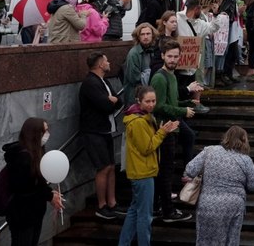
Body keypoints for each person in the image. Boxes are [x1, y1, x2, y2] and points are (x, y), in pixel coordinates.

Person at [118, 86, 178, 246]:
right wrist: (162, 132)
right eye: (148, 101)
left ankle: (124, 243)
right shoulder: (138, 121)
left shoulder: (142, 117)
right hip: (143, 172)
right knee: (145, 215)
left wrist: (162, 131)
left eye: (153, 101)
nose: (152, 104)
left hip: (142, 171)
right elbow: (147, 147)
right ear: (139, 101)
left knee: (134, 211)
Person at [184, 126, 254, 246]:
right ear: (243, 140)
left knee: (205, 240)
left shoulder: (209, 150)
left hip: (208, 203)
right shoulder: (245, 160)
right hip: (233, 205)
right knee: (231, 240)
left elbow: (190, 169)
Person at [150, 40, 195, 223]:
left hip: (172, 128)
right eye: (169, 56)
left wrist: (188, 104)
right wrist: (182, 111)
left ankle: (159, 207)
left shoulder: (172, 76)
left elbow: (172, 101)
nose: (173, 59)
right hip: (164, 129)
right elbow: (158, 106)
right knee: (165, 171)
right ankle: (167, 210)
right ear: (162, 56)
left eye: (176, 56)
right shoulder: (160, 77)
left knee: (165, 171)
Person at [2, 118, 64, 246]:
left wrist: (49, 193)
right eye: (45, 131)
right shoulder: (22, 158)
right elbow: (25, 188)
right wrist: (49, 196)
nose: (48, 134)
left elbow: (37, 183)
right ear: (35, 133)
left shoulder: (36, 154)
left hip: (34, 213)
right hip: (22, 216)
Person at [79, 51, 124, 220]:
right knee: (103, 167)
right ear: (100, 64)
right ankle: (102, 205)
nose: (109, 62)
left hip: (106, 129)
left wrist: (112, 100)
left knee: (111, 166)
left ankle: (112, 203)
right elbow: (105, 105)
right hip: (93, 132)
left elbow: (118, 100)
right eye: (106, 60)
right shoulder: (90, 83)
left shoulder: (103, 81)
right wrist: (110, 101)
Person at [123, 23, 159, 113]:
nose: (145, 37)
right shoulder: (134, 53)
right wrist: (149, 74)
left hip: (147, 97)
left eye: (148, 34)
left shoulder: (153, 51)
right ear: (138, 37)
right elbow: (134, 78)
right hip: (135, 97)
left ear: (153, 35)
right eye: (142, 34)